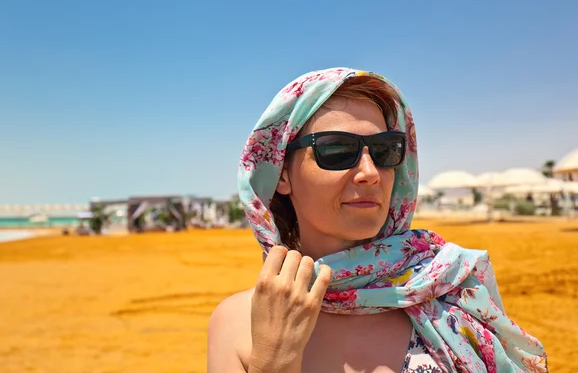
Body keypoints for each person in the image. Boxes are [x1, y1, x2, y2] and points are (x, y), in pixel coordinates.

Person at [207, 68, 548, 372]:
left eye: (386, 150)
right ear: (280, 174)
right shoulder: (238, 325)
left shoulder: (446, 288)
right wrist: (274, 362)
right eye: (337, 150)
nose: (371, 173)